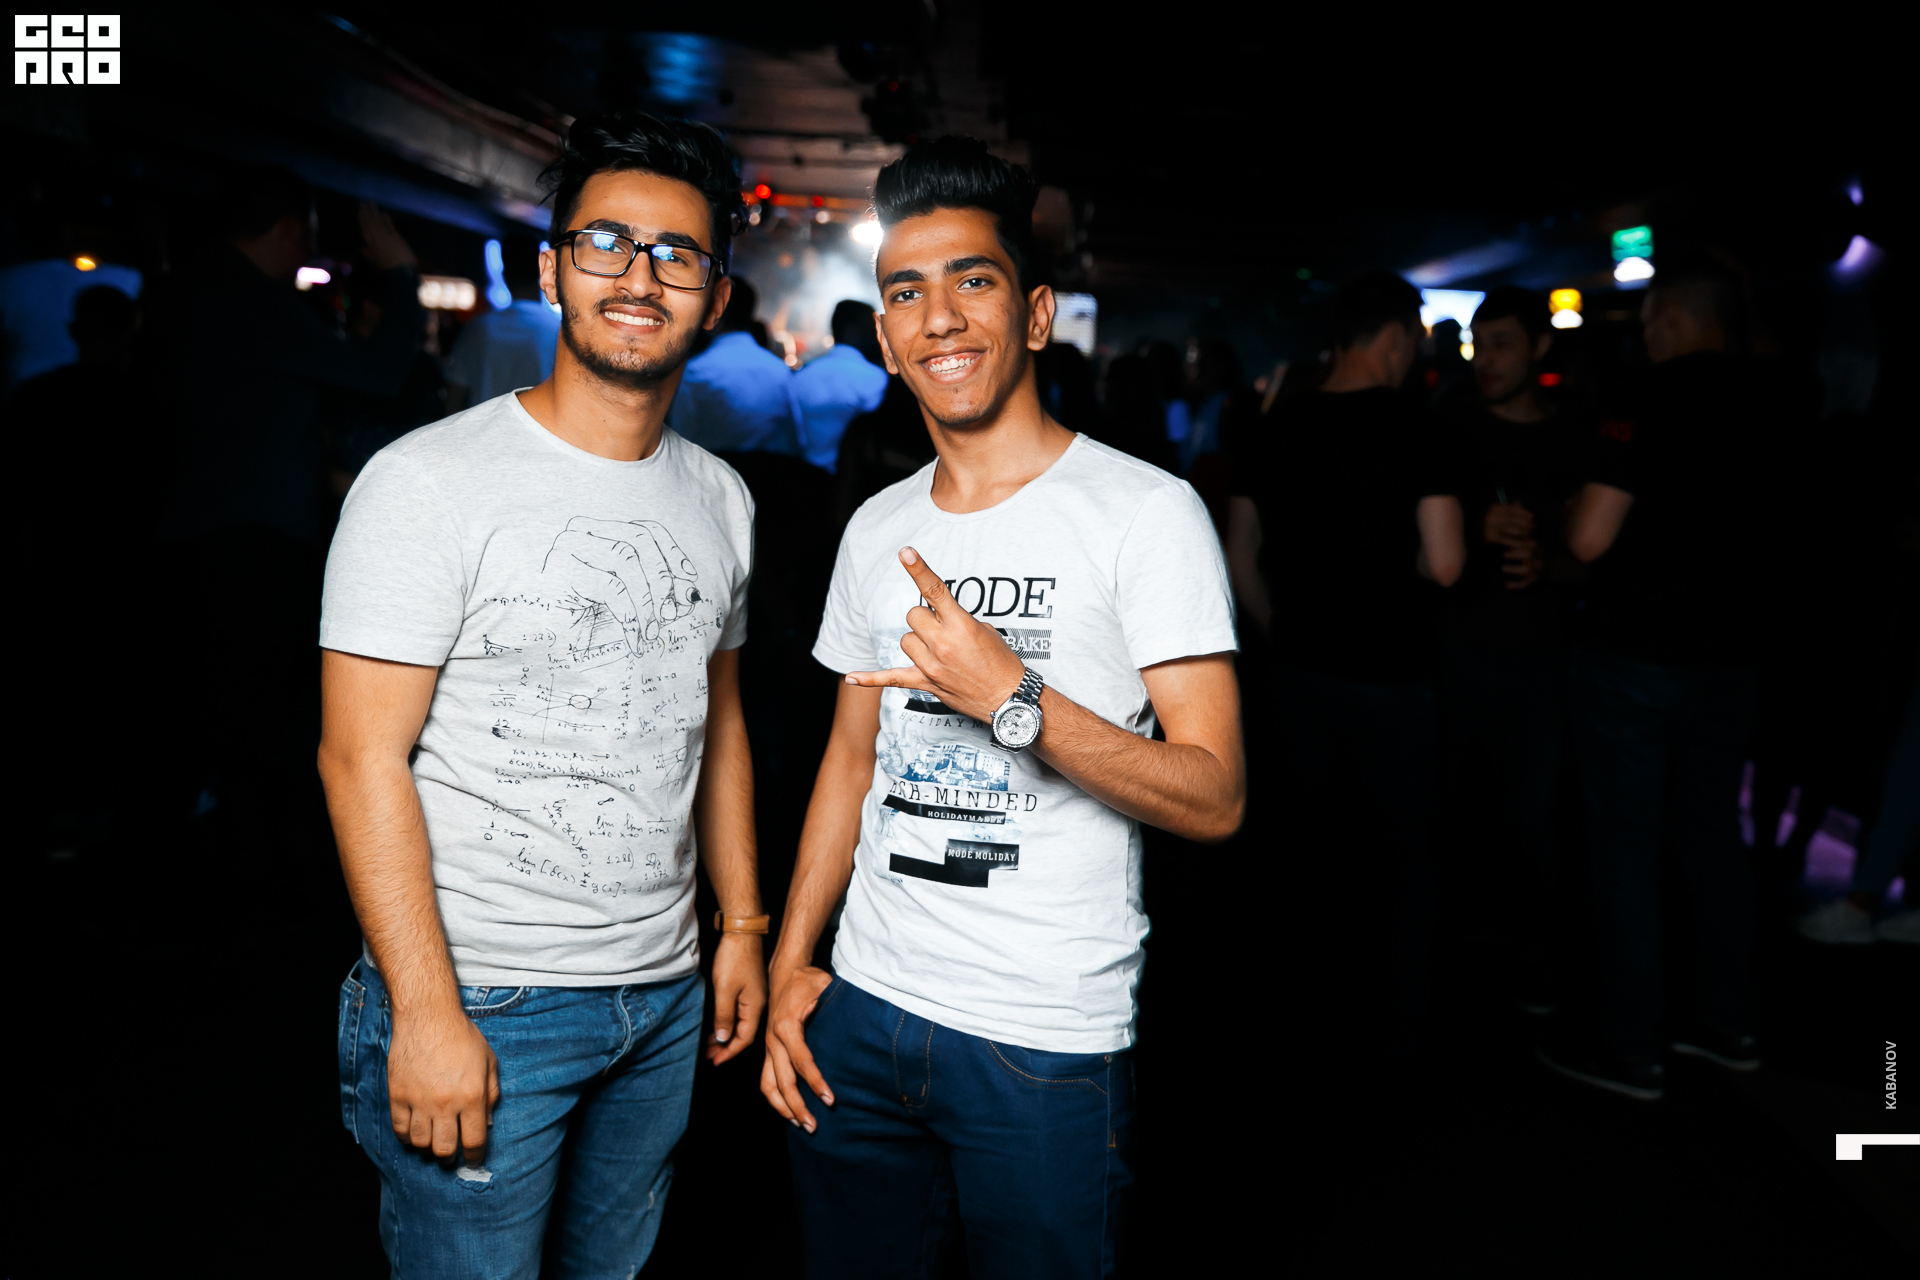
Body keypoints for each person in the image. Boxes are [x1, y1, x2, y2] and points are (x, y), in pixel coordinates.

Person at [760, 136, 1245, 1279]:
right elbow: (848, 760)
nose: (938, 317)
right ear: (885, 340)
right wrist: (791, 962)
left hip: (1044, 1040)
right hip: (862, 1011)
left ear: (1034, 315)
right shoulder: (876, 526)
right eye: (905, 293)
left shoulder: (1145, 511)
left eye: (971, 280)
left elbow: (1216, 793)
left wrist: (1013, 698)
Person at [319, 110, 767, 1277]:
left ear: (716, 297)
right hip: (486, 990)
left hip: (661, 993)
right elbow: (359, 757)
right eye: (605, 241)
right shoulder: (426, 482)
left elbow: (716, 724)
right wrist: (426, 1008)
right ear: (550, 267)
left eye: (678, 253)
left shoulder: (722, 498)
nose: (640, 276)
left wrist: (743, 926)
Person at [1542, 256, 1770, 1101]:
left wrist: (1569, 511)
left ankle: (1632, 1047)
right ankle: (1728, 1024)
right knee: (1714, 838)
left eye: (1648, 320)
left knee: (1627, 848)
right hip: (1734, 658)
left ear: (1671, 315)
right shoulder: (1781, 401)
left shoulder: (1647, 394)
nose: (1645, 334)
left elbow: (1591, 537)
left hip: (1637, 652)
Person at [1224, 270, 1465, 1046]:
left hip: (1297, 669)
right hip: (1395, 674)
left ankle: (1298, 1010)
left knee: (1301, 848)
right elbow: (1447, 564)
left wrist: (1277, 625)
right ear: (1394, 338)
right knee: (1402, 857)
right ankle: (1400, 1021)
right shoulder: (1419, 429)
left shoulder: (1274, 427)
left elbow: (1237, 553)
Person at [1436, 286, 1587, 1013]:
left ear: (1540, 348)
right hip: (1453, 648)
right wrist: (1471, 527)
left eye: (1502, 344)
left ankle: (1536, 963)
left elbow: (1601, 547)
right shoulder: (1452, 422)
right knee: (1448, 810)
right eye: (1478, 343)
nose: (1485, 359)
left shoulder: (1574, 432)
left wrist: (1551, 564)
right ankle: (1447, 960)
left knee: (1534, 818)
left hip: (1539, 655)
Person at [668, 275, 803, 456]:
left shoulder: (696, 371)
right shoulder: (780, 372)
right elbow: (793, 443)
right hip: (766, 473)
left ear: (715, 308)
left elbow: (681, 443)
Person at [442, 238, 563, 413]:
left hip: (483, 429)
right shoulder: (560, 331)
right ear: (542, 272)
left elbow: (453, 400)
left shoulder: (478, 329)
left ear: (504, 275)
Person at [792, 298, 889, 471]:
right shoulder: (876, 378)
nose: (876, 336)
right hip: (855, 480)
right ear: (852, 331)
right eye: (871, 329)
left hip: (803, 475)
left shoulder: (801, 376)